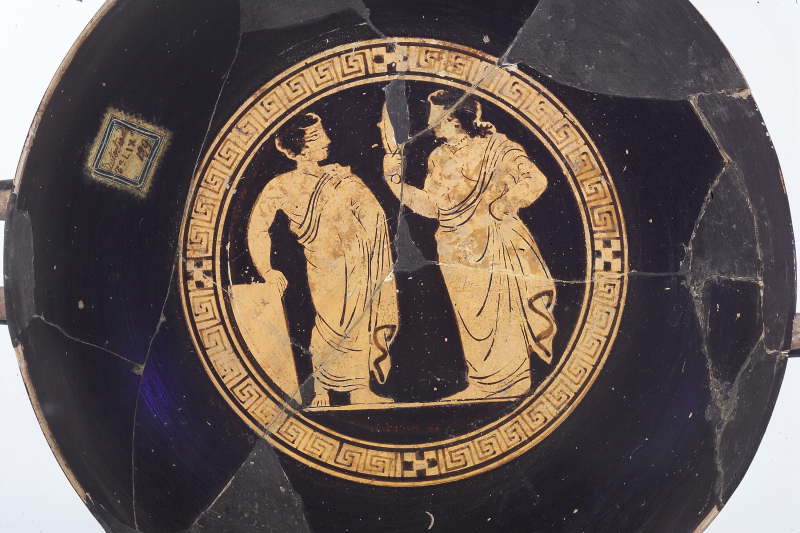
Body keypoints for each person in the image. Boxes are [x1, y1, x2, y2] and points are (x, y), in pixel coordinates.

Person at [382, 89, 557, 400]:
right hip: (454, 248)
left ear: (453, 119)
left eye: (435, 116)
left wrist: (504, 204)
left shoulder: (497, 147)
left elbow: (535, 180)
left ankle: (514, 381)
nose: (429, 123)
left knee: (502, 313)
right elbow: (433, 207)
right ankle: (483, 384)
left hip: (494, 241)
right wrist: (396, 183)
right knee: (473, 322)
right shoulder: (438, 157)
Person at [248, 112, 398, 407]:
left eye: (324, 133)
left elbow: (374, 215)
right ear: (300, 148)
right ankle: (321, 390)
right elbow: (257, 228)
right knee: (328, 324)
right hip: (324, 266)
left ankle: (359, 388)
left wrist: (370, 245)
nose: (327, 140)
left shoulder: (341, 177)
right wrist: (266, 269)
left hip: (359, 263)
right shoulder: (282, 186)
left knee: (359, 323)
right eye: (317, 137)